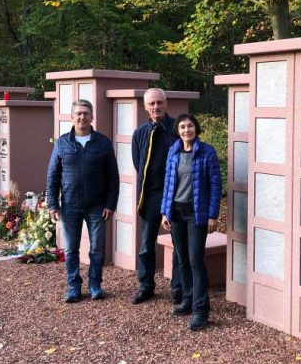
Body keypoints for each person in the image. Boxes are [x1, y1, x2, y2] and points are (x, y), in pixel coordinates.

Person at [46, 99, 119, 303]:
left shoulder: (103, 143)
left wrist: (110, 204)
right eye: (78, 113)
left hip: (97, 205)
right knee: (70, 250)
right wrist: (52, 203)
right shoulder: (62, 143)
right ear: (72, 117)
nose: (82, 117)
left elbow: (113, 176)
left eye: (86, 113)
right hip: (70, 204)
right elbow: (53, 174)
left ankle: (95, 284)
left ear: (92, 116)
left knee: (97, 249)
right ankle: (73, 287)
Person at [161, 114, 222, 331]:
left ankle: (201, 310)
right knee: (182, 258)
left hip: (197, 213)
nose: (187, 130)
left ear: (196, 129)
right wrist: (164, 211)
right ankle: (187, 300)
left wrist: (212, 214)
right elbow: (168, 182)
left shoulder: (207, 152)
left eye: (190, 126)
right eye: (183, 127)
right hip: (176, 211)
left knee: (196, 259)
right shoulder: (173, 151)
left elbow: (215, 185)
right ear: (178, 131)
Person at [131, 88, 182, 304]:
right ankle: (146, 285)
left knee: (178, 243)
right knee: (146, 244)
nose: (156, 107)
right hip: (150, 195)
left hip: (176, 194)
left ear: (166, 103)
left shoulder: (177, 128)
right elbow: (138, 162)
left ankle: (178, 288)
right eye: (151, 103)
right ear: (145, 107)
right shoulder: (140, 132)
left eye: (159, 102)